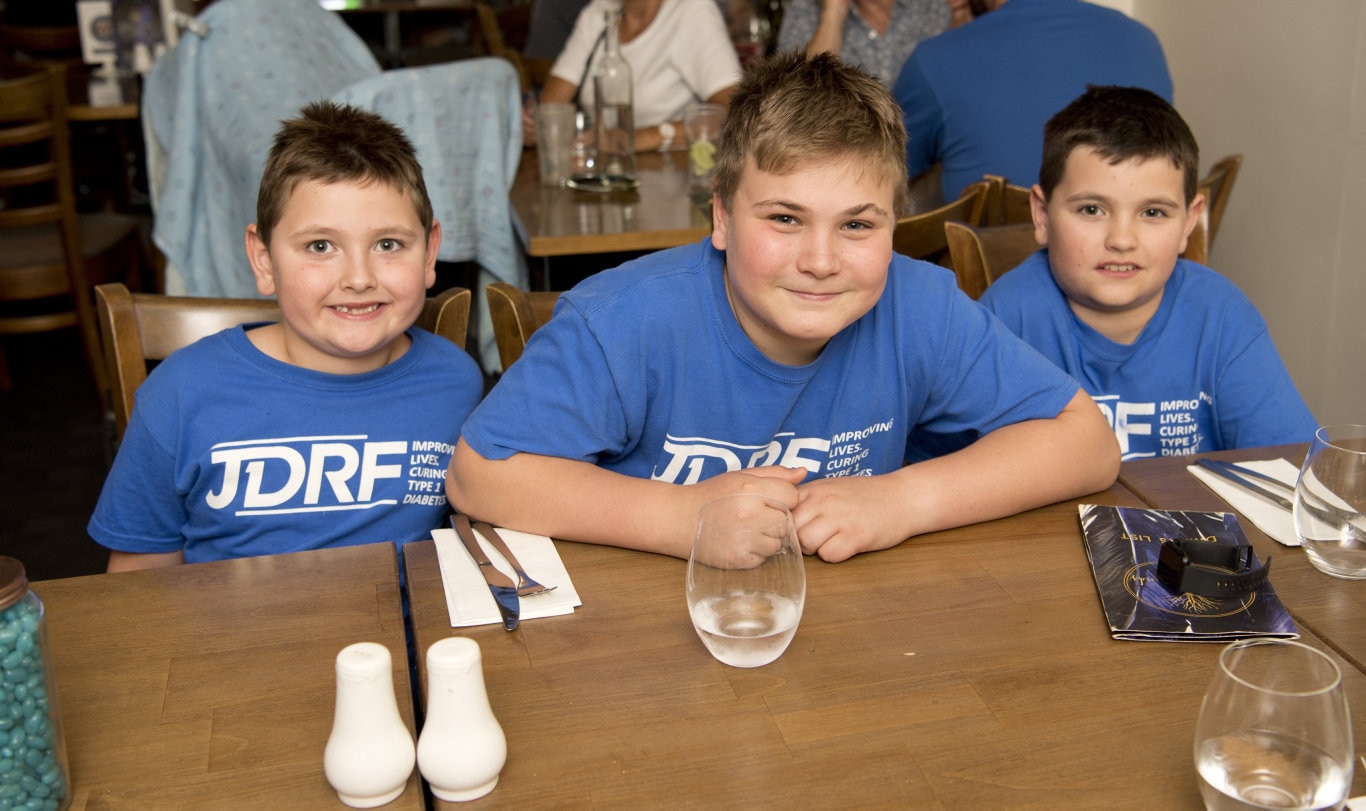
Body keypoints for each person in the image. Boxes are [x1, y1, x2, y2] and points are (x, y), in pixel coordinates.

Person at [448, 51, 1119, 564]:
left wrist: (903, 498)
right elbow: (480, 476)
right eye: (785, 218)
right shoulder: (624, 320)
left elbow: (1086, 442)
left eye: (858, 226)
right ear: (721, 217)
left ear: (893, 224)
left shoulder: (921, 306)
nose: (821, 260)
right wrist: (682, 519)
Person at [88, 102, 484, 572]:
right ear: (262, 260)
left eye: (388, 244)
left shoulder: (456, 382)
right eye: (320, 246)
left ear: (429, 252)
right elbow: (136, 586)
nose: (358, 278)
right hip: (229, 642)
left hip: (399, 642)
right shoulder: (180, 394)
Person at [979, 86, 1318, 462]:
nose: (1122, 240)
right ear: (1042, 215)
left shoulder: (1221, 317)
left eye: (1153, 212)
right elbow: (959, 472)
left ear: (1189, 222)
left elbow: (1294, 468)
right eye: (1092, 210)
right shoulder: (1005, 318)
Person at [894, 0, 1172, 201]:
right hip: (1140, 273)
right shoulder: (1143, 40)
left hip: (986, 276)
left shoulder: (934, 59)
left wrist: (958, 39)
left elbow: (880, 174)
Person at [532, 0, 741, 152]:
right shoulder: (598, 12)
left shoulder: (692, 11)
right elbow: (549, 108)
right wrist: (534, 127)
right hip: (605, 175)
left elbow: (736, 111)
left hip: (673, 178)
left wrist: (645, 137)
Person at [775, 0, 951, 87]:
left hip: (927, 148)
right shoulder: (804, 8)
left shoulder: (933, 6)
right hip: (845, 149)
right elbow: (800, 97)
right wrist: (833, 13)